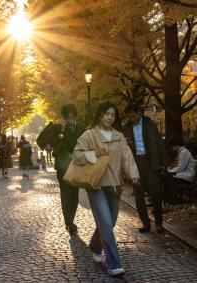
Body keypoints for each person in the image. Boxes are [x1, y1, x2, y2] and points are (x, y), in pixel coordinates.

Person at [72, 101, 140, 277]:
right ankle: (115, 264)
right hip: (96, 185)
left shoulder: (118, 136)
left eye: (112, 115)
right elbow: (77, 155)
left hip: (115, 185)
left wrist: (133, 174)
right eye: (106, 114)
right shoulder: (89, 135)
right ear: (100, 114)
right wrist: (93, 154)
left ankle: (95, 246)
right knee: (106, 223)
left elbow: (127, 157)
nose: (109, 117)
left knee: (110, 222)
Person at [37, 104, 85, 235]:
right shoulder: (58, 127)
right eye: (67, 117)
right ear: (65, 116)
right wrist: (52, 129)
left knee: (74, 194)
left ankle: (71, 220)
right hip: (63, 164)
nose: (70, 119)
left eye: (72, 116)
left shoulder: (81, 127)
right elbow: (40, 139)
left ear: (75, 115)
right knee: (66, 194)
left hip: (77, 165)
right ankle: (69, 222)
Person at [123, 103, 167, 234]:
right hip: (135, 164)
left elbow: (159, 143)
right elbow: (124, 149)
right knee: (138, 196)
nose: (132, 119)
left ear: (139, 112)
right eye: (129, 117)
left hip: (151, 163)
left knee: (156, 193)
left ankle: (159, 224)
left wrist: (163, 164)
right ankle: (146, 224)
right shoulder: (126, 128)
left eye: (133, 116)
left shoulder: (150, 123)